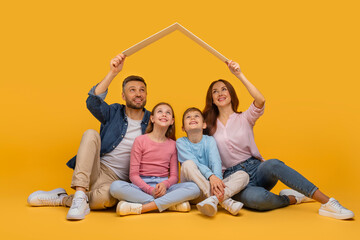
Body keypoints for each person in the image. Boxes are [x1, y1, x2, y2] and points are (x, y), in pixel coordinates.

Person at [202, 60, 354, 220]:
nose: (220, 93)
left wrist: (239, 75)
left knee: (273, 164)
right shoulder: (207, 126)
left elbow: (260, 100)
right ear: (211, 99)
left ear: (231, 94)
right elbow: (198, 150)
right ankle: (292, 198)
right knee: (257, 200)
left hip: (256, 169)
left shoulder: (244, 118)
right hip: (232, 178)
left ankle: (327, 202)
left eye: (224, 89)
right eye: (215, 91)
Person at [27, 54, 151, 220]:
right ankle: (79, 195)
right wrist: (113, 73)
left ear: (146, 94)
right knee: (91, 134)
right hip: (96, 168)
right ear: (123, 95)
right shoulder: (114, 111)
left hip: (119, 181)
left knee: (106, 199)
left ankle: (62, 199)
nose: (138, 94)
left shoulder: (152, 120)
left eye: (142, 90)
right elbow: (92, 103)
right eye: (132, 90)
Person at [109, 103, 200, 216]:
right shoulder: (140, 140)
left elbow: (174, 177)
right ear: (152, 118)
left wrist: (164, 185)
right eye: (160, 111)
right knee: (115, 187)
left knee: (194, 188)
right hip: (141, 187)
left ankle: (144, 207)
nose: (164, 114)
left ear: (172, 121)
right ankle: (170, 204)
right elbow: (133, 175)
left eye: (168, 112)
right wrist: (150, 190)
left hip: (164, 188)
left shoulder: (173, 145)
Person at [177, 107, 249, 217]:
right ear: (183, 128)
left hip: (211, 187)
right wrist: (211, 176)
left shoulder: (209, 140)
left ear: (204, 125)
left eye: (196, 116)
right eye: (188, 117)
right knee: (188, 164)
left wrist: (218, 180)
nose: (192, 118)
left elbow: (216, 162)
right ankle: (225, 201)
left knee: (243, 175)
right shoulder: (181, 142)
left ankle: (214, 199)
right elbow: (195, 162)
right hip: (193, 190)